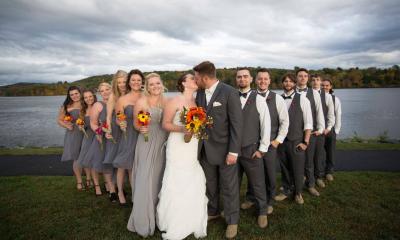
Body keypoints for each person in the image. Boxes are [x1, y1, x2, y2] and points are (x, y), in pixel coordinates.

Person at [194, 61, 243, 239]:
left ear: (205, 77)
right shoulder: (198, 93)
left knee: (229, 187)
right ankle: (213, 210)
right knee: (210, 184)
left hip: (225, 150)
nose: (195, 80)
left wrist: (233, 151)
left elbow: (237, 124)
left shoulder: (229, 92)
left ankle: (232, 220)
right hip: (205, 149)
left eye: (196, 77)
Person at [157, 73, 208, 240]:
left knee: (191, 176)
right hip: (177, 145)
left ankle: (191, 217)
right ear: (184, 83)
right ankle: (174, 220)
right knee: (177, 178)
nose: (195, 80)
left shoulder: (196, 102)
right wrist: (182, 130)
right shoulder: (174, 101)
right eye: (192, 78)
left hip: (191, 145)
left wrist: (198, 128)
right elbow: (164, 124)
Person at [241, 68, 289, 215]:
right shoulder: (248, 96)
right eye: (260, 78)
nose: (262, 81)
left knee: (269, 173)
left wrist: (277, 141)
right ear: (255, 80)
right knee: (252, 173)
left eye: (265, 79)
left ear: (269, 81)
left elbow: (285, 123)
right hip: (252, 144)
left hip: (270, 144)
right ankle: (251, 197)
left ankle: (269, 201)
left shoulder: (278, 99)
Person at [127, 73, 168, 238]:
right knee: (146, 177)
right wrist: (140, 128)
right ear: (147, 87)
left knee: (160, 177)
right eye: (151, 84)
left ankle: (161, 217)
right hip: (147, 141)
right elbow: (137, 122)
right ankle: (144, 218)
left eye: (157, 83)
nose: (155, 86)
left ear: (162, 84)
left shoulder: (167, 101)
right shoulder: (142, 102)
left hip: (163, 142)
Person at [236, 68, 271, 228]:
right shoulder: (231, 97)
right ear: (236, 80)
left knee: (257, 183)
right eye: (239, 77)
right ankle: (232, 210)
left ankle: (262, 211)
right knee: (232, 183)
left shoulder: (259, 98)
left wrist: (262, 148)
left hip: (251, 149)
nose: (242, 79)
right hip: (233, 150)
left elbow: (266, 124)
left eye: (245, 76)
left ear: (251, 79)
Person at [275, 73, 312, 204]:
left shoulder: (303, 99)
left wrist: (305, 142)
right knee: (284, 168)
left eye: (290, 81)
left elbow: (308, 123)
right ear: (282, 83)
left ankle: (298, 193)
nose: (288, 84)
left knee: (297, 168)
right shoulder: (277, 99)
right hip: (281, 141)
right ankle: (286, 190)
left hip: (296, 141)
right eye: (285, 81)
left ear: (295, 83)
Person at [296, 68, 333, 197]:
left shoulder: (315, 93)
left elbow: (319, 113)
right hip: (296, 133)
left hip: (311, 132)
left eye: (305, 76)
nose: (302, 78)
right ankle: (296, 183)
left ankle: (311, 184)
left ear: (307, 78)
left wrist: (321, 128)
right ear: (297, 78)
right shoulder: (291, 92)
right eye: (300, 76)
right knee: (297, 160)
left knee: (310, 160)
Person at [113, 69, 143, 205]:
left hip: (143, 134)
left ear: (142, 81)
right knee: (125, 165)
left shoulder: (146, 96)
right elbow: (118, 118)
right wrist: (121, 123)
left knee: (138, 166)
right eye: (133, 80)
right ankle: (120, 191)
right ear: (129, 83)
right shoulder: (122, 100)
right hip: (128, 135)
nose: (136, 82)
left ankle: (137, 193)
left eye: (138, 80)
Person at [86, 82, 114, 196]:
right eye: (102, 91)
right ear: (99, 93)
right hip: (103, 137)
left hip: (116, 136)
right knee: (106, 163)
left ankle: (114, 185)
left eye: (107, 89)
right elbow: (93, 124)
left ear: (112, 89)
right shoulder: (98, 105)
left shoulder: (117, 101)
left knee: (114, 163)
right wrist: (100, 133)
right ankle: (112, 190)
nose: (105, 92)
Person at [103, 70, 128, 195]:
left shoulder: (132, 94)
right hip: (115, 129)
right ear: (115, 84)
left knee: (124, 160)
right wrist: (108, 130)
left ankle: (121, 187)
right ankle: (113, 190)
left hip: (128, 128)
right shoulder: (113, 96)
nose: (122, 84)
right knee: (113, 159)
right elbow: (107, 116)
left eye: (124, 81)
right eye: (119, 82)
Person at [57, 86, 84, 190]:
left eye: (76, 93)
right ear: (69, 95)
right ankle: (79, 181)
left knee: (87, 156)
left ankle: (89, 179)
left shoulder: (85, 102)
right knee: (76, 158)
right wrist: (67, 125)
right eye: (72, 94)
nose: (74, 96)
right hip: (73, 134)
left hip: (86, 133)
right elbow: (59, 120)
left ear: (80, 93)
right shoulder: (66, 106)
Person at [321, 78, 342, 182]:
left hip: (331, 130)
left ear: (330, 87)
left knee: (331, 152)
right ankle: (319, 172)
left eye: (327, 85)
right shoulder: (317, 98)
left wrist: (336, 130)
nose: (324, 87)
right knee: (319, 153)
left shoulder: (335, 99)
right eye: (323, 85)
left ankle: (329, 172)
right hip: (319, 130)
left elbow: (338, 115)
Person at [76, 89, 97, 189]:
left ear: (94, 96)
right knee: (87, 158)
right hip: (88, 136)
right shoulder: (83, 111)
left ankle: (106, 183)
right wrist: (81, 127)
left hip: (99, 135)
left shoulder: (99, 106)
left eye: (90, 96)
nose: (88, 99)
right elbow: (82, 126)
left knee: (97, 159)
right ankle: (89, 179)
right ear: (83, 99)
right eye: (86, 97)